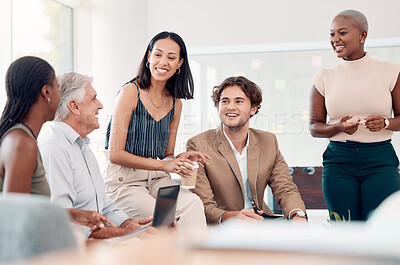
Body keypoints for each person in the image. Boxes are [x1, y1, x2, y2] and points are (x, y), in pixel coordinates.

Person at [103, 31, 209, 231]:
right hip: (125, 181)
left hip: (157, 179)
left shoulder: (176, 104)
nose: (163, 62)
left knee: (193, 204)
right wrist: (164, 166)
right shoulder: (130, 92)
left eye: (171, 57)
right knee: (165, 221)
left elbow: (166, 156)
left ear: (179, 64)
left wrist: (180, 158)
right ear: (148, 57)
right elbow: (114, 154)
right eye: (158, 55)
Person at [0, 56, 113, 232]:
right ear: (46, 93)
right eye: (57, 89)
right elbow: (14, 222)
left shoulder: (24, 139)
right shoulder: (22, 144)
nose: (60, 97)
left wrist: (72, 215)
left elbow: (29, 210)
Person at [38, 72, 155, 239]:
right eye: (93, 99)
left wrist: (129, 224)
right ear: (74, 106)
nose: (100, 105)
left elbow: (103, 203)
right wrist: (126, 233)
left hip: (96, 240)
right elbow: (64, 221)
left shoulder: (82, 145)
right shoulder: (53, 148)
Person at [309, 9, 400, 221]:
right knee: (344, 226)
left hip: (380, 160)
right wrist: (338, 127)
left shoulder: (390, 71)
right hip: (339, 162)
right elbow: (314, 126)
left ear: (363, 35)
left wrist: (386, 122)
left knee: (379, 227)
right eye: (332, 34)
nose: (335, 39)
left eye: (342, 33)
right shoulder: (323, 77)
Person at [187, 76, 307, 225]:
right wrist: (233, 217)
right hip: (223, 227)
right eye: (225, 101)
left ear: (253, 108)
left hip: (262, 222)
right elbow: (203, 205)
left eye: (238, 101)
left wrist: (297, 215)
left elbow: (285, 189)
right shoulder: (198, 145)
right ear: (218, 107)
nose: (230, 107)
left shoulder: (268, 142)